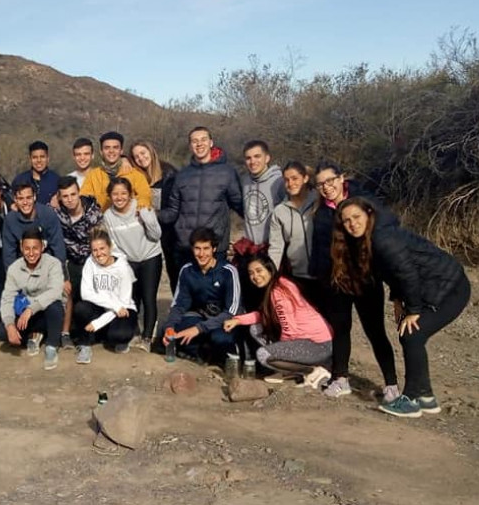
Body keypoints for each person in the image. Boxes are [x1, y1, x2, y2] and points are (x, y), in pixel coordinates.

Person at [332, 197, 470, 417]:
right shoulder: (369, 238)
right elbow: (393, 272)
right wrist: (397, 300)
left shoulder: (383, 238)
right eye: (346, 221)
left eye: (356, 217)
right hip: (434, 286)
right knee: (412, 335)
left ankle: (412, 398)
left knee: (412, 334)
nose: (352, 224)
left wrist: (413, 310)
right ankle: (426, 397)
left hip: (450, 287)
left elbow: (408, 275)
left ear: (369, 213)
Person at [310, 161, 398, 399]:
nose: (327, 187)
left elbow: (389, 223)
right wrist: (320, 281)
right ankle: (341, 378)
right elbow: (319, 252)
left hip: (366, 279)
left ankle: (391, 384)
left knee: (376, 331)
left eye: (330, 181)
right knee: (340, 330)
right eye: (320, 185)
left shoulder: (363, 199)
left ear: (341, 178)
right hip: (337, 281)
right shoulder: (321, 214)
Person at [223, 256, 332, 387]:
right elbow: (264, 315)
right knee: (255, 328)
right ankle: (292, 369)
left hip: (318, 345)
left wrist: (281, 352)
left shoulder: (278, 292)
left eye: (259, 271)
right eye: (251, 273)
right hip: (310, 341)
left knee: (263, 355)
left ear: (269, 269)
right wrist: (238, 320)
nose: (255, 276)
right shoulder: (279, 283)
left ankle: (313, 371)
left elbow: (290, 329)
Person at [159, 126, 243, 269]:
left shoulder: (227, 173)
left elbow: (240, 205)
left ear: (211, 142)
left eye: (203, 139)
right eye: (195, 141)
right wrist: (150, 214)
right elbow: (172, 211)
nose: (199, 144)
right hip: (186, 248)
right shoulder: (182, 175)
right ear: (190, 146)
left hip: (214, 248)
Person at [159, 228, 241, 366]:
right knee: (168, 332)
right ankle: (199, 353)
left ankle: (218, 356)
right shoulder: (187, 270)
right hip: (199, 317)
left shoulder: (228, 271)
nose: (201, 254)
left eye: (206, 248)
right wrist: (170, 326)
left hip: (221, 321)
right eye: (197, 248)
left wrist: (198, 329)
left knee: (220, 339)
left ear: (214, 249)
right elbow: (179, 304)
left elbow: (231, 311)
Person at [102, 177, 162, 350]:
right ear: (110, 196)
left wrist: (146, 217)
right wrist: (125, 266)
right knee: (132, 298)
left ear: (130, 194)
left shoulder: (140, 207)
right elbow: (113, 245)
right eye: (115, 194)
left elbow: (156, 234)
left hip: (150, 256)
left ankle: (148, 337)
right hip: (129, 261)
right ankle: (134, 332)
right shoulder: (108, 216)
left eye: (123, 193)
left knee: (148, 297)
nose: (119, 197)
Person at [0, 228, 66, 370]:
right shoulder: (14, 268)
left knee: (55, 307)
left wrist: (31, 308)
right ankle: (34, 335)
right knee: (2, 331)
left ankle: (52, 346)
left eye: (35, 248)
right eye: (27, 248)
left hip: (45, 312)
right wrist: (10, 325)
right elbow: (7, 298)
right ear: (21, 248)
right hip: (26, 315)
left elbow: (55, 291)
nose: (31, 253)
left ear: (42, 247)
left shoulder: (53, 264)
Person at [73, 229, 137, 364]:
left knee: (118, 336)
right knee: (80, 308)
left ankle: (109, 333)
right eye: (94, 250)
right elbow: (86, 293)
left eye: (102, 248)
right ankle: (85, 343)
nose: (99, 253)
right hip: (103, 307)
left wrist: (97, 323)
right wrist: (112, 305)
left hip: (122, 309)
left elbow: (123, 304)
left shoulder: (122, 267)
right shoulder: (90, 263)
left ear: (110, 247)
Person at [55, 176, 104, 349]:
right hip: (70, 262)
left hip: (92, 262)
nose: (70, 199)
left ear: (79, 193)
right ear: (59, 198)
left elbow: (100, 243)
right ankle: (65, 333)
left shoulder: (94, 213)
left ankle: (94, 330)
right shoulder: (58, 214)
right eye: (65, 196)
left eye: (73, 194)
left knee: (88, 299)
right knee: (66, 290)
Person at [130, 140, 179, 293]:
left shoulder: (170, 174)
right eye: (136, 156)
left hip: (170, 232)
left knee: (175, 272)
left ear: (151, 152)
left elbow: (174, 210)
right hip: (146, 232)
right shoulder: (136, 177)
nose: (141, 158)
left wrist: (151, 215)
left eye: (143, 153)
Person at [267, 162, 320, 304]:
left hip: (324, 276)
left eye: (295, 178)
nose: (290, 183)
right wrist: (271, 277)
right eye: (286, 180)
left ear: (305, 178)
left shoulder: (320, 202)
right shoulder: (279, 212)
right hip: (298, 277)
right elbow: (276, 247)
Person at [81, 131, 151, 211]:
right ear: (101, 152)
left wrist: (135, 211)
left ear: (121, 151)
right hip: (102, 221)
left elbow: (145, 196)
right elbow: (84, 199)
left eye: (115, 147)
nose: (111, 151)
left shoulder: (135, 174)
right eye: (107, 148)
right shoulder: (93, 176)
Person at [2, 183, 66, 267]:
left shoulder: (48, 214)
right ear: (15, 200)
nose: (25, 202)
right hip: (22, 265)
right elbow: (9, 254)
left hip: (47, 263)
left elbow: (58, 247)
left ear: (34, 197)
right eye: (21, 199)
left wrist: (61, 274)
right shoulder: (10, 220)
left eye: (28, 198)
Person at [240, 140, 285, 246]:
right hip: (250, 247)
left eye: (257, 156)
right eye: (248, 158)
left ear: (267, 158)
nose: (252, 161)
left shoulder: (279, 181)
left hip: (272, 247)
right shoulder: (244, 181)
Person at [11, 141, 60, 207]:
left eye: (42, 157)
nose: (39, 160)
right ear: (30, 159)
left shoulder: (56, 180)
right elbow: (12, 203)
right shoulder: (19, 180)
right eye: (35, 157)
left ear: (48, 158)